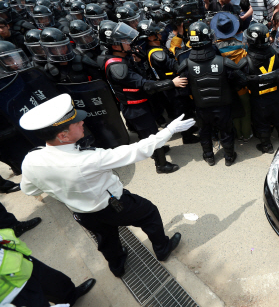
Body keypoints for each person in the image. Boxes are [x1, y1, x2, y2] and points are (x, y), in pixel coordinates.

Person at [19, 93, 193, 277]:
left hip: (82, 213)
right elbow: (136, 151)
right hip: (112, 206)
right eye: (76, 122)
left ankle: (117, 266)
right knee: (149, 213)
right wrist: (169, 131)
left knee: (105, 238)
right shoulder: (89, 159)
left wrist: (60, 190)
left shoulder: (31, 160)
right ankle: (162, 248)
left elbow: (29, 189)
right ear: (62, 135)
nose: (82, 122)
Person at [99, 21, 184, 174]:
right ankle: (161, 165)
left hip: (141, 103)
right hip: (136, 107)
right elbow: (145, 84)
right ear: (116, 45)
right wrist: (172, 83)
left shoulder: (122, 58)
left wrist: (137, 60)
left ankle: (156, 151)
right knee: (151, 135)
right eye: (124, 41)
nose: (128, 43)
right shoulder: (118, 67)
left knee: (151, 133)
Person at [176, 22, 240, 166]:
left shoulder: (185, 65)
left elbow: (182, 92)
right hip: (223, 106)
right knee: (226, 131)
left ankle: (209, 156)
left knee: (204, 132)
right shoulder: (224, 62)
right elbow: (240, 81)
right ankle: (229, 157)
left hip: (201, 107)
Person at [237, 23, 279, 153]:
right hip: (276, 95)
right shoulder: (275, 52)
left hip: (258, 99)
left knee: (262, 122)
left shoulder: (246, 61)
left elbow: (240, 81)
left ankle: (267, 146)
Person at [211, 12, 252, 142]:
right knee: (246, 111)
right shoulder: (243, 45)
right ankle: (246, 135)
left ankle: (237, 134)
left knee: (231, 112)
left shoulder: (215, 49)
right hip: (243, 86)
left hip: (226, 88)